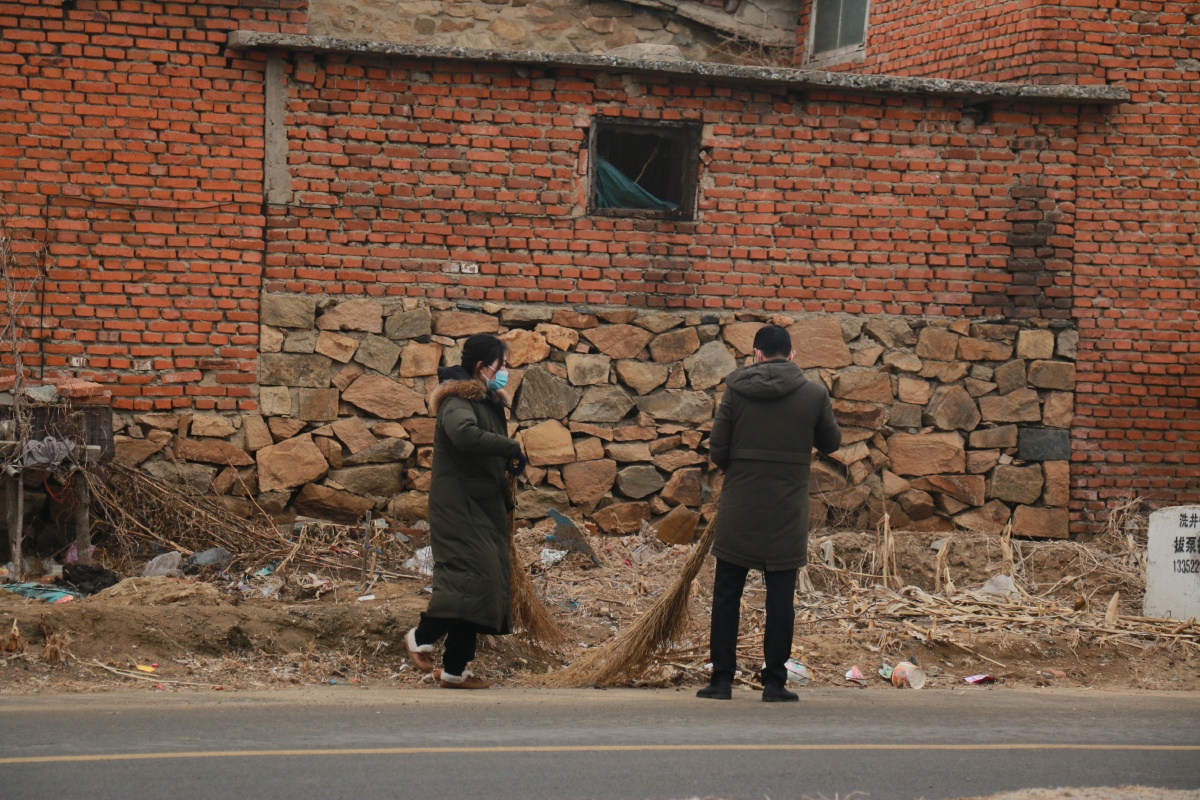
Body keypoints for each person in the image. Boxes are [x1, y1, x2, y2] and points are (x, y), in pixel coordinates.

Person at [698, 324, 842, 702]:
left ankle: (722, 681)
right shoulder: (813, 394)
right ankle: (775, 683)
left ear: (756, 354)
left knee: (727, 591)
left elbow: (718, 451)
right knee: (781, 596)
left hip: (740, 505)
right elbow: (832, 442)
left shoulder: (735, 391)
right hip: (786, 508)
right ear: (792, 356)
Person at [405, 333, 528, 689]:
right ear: (480, 367)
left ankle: (455, 670)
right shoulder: (457, 401)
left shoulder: (485, 400)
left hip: (479, 504)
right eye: (500, 365)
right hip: (458, 505)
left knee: (482, 582)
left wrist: (509, 462)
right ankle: (421, 635)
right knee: (470, 578)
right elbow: (463, 436)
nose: (504, 371)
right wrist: (511, 447)